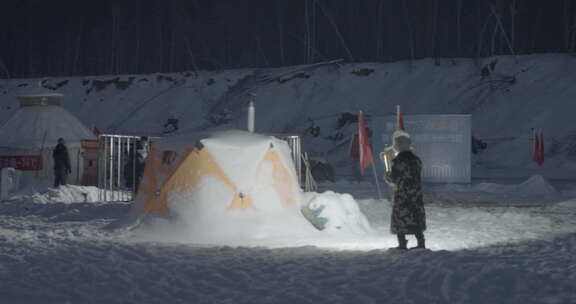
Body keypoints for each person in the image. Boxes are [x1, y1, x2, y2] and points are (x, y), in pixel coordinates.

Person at [384, 132, 426, 250]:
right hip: (416, 194)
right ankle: (421, 242)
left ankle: (402, 243)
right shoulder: (416, 160)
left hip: (403, 194)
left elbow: (394, 178)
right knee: (416, 216)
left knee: (401, 217)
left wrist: (388, 175)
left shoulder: (398, 161)